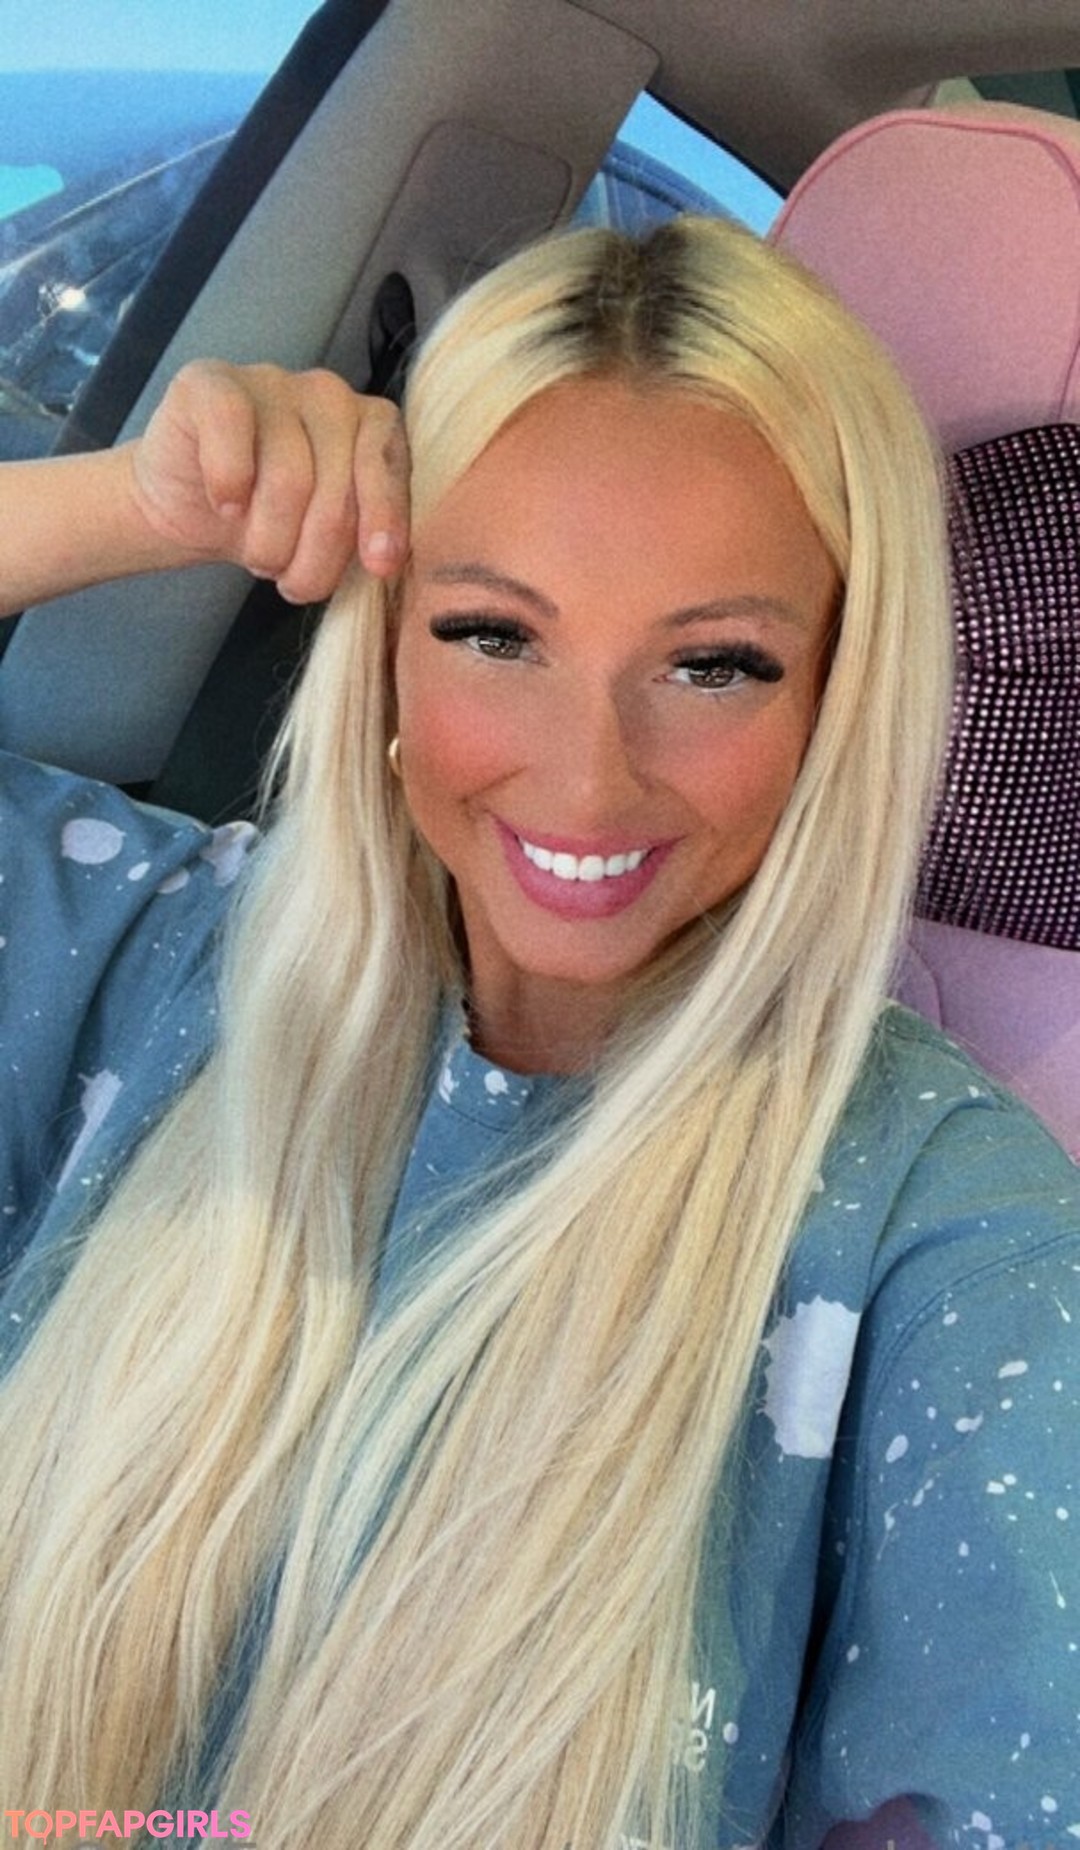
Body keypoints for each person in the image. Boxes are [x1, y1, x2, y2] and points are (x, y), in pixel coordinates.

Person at [0, 215, 1076, 1850]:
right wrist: (131, 505)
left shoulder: (949, 1235)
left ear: (835, 701)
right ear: (386, 641)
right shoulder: (158, 953)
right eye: (494, 633)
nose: (586, 778)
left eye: (716, 666)